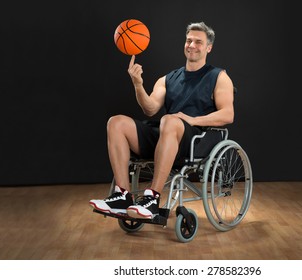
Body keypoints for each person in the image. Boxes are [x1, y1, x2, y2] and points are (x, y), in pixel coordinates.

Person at [89, 21, 234, 219]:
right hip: (165, 133)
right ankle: (122, 195)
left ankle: (152, 198)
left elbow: (228, 114)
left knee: (170, 120)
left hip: (194, 140)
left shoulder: (219, 76)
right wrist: (138, 85)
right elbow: (149, 109)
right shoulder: (167, 78)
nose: (191, 45)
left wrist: (192, 120)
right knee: (116, 122)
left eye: (198, 42)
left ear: (209, 47)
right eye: (188, 40)